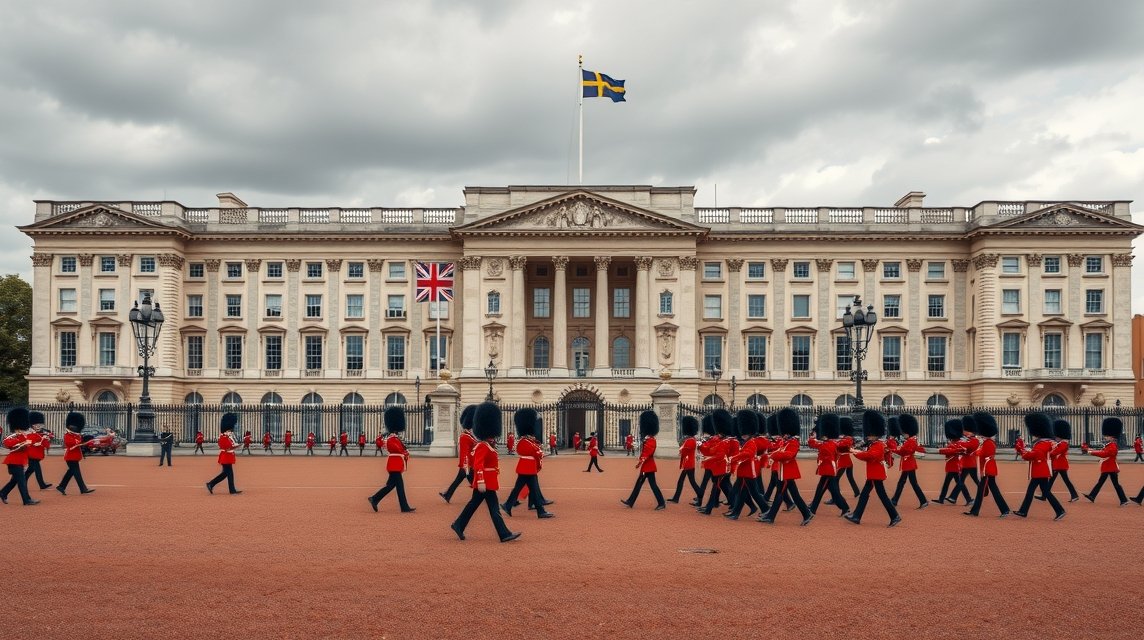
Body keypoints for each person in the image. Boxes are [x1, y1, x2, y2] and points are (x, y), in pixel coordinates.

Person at [449, 402, 520, 543]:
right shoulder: (482, 445)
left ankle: (458, 525)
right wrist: (480, 480)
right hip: (485, 482)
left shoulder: (486, 445)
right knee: (493, 509)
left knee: (474, 504)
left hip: (488, 481)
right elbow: (478, 464)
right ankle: (504, 534)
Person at [844, 410, 902, 528]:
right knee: (865, 494)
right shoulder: (875, 444)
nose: (868, 436)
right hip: (873, 474)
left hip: (876, 474)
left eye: (870, 434)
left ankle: (894, 516)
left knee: (882, 496)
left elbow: (870, 456)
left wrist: (855, 453)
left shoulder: (879, 445)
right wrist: (858, 451)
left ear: (875, 433)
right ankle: (857, 515)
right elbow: (868, 453)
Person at [758, 408, 812, 526]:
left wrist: (774, 455)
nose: (784, 434)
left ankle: (771, 516)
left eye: (785, 432)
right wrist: (771, 453)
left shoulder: (793, 442)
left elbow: (789, 455)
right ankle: (807, 514)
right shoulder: (786, 441)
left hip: (787, 472)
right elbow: (779, 450)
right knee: (794, 495)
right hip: (783, 472)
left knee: (780, 494)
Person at [502, 408, 555, 518]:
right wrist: (539, 451)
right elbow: (533, 451)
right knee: (533, 489)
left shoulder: (529, 441)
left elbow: (536, 450)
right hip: (527, 468)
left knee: (522, 488)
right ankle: (540, 511)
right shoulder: (523, 441)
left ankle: (508, 505)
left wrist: (538, 450)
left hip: (528, 468)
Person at [1012, 412, 1066, 520]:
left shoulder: (1043, 443)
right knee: (1040, 491)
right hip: (1040, 470)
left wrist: (1022, 451)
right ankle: (1024, 511)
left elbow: (1032, 455)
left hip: (1040, 471)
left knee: (1037, 491)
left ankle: (1059, 510)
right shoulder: (1044, 442)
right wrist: (1023, 450)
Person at [367, 407, 415, 513]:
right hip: (395, 465)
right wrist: (405, 452)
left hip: (396, 464)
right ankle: (404, 507)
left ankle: (375, 498)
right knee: (399, 486)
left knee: (391, 485)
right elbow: (397, 449)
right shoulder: (391, 439)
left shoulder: (394, 438)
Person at [964, 411, 1010, 518]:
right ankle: (1004, 509)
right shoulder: (986, 442)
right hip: (987, 469)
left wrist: (975, 451)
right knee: (988, 490)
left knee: (984, 491)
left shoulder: (988, 442)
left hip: (988, 470)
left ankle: (976, 511)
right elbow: (981, 452)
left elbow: (984, 453)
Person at [725, 410, 768, 519]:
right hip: (743, 472)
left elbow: (747, 454)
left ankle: (766, 509)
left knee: (754, 493)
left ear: (750, 433)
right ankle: (736, 513)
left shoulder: (752, 442)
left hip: (748, 472)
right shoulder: (747, 442)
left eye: (745, 433)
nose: (742, 435)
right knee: (742, 493)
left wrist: (733, 458)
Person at [620, 410, 666, 510]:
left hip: (648, 467)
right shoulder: (648, 439)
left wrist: (640, 461)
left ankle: (661, 503)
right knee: (640, 483)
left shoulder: (651, 440)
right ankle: (631, 501)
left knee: (652, 485)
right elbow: (645, 452)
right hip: (647, 466)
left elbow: (647, 453)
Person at [807, 412, 849, 517]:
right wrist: (812, 437)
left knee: (823, 490)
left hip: (828, 470)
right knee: (830, 490)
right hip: (826, 470)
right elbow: (812, 444)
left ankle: (813, 509)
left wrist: (817, 440)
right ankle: (845, 508)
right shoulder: (827, 443)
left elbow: (822, 449)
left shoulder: (829, 444)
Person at [1082, 417, 1128, 505]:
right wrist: (1089, 449)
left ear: (1112, 437)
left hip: (1111, 468)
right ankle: (1092, 496)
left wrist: (1090, 452)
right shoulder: (1109, 445)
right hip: (1108, 468)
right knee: (1101, 483)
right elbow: (1102, 452)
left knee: (1115, 485)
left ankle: (1124, 500)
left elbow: (1104, 454)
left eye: (1107, 436)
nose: (1105, 437)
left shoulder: (1113, 446)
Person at [697, 409, 733, 515]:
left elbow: (720, 455)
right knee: (722, 488)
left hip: (722, 468)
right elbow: (710, 449)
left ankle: (709, 509)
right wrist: (701, 446)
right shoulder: (719, 439)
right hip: (717, 467)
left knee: (717, 488)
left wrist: (708, 458)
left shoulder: (726, 441)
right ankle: (733, 504)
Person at [890, 413, 928, 509]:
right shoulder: (911, 440)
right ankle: (895, 499)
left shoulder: (911, 441)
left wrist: (893, 450)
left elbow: (905, 451)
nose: (903, 434)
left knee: (911, 483)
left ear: (908, 431)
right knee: (903, 482)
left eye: (904, 432)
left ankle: (923, 500)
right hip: (908, 463)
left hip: (909, 464)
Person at [440, 405, 477, 504]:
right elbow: (464, 452)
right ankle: (482, 496)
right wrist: (466, 466)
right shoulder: (465, 436)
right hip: (467, 465)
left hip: (469, 464)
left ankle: (447, 495)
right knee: (475, 482)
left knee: (459, 481)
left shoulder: (469, 435)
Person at [1, 408, 38, 505]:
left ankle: (3, 493)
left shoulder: (23, 436)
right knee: (22, 482)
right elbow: (6, 442)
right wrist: (19, 442)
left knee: (14, 481)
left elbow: (29, 444)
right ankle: (26, 500)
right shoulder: (13, 436)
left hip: (20, 462)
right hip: (13, 462)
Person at [1037, 419, 1079, 503]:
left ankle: (1074, 495)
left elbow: (1055, 453)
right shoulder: (1059, 443)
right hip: (1057, 465)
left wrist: (1047, 452)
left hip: (1060, 465)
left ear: (1060, 435)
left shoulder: (1063, 444)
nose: (1055, 438)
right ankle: (1045, 495)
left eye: (1056, 436)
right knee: (1052, 481)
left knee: (1063, 481)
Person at [933, 420, 970, 505]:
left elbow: (951, 451)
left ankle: (968, 499)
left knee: (959, 483)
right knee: (952, 483)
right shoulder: (953, 442)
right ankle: (942, 499)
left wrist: (940, 450)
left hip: (955, 466)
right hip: (950, 466)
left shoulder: (959, 443)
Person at [57, 411, 94, 495]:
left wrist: (85, 440)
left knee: (71, 472)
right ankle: (83, 488)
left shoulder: (77, 435)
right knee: (77, 473)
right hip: (70, 457)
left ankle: (61, 486)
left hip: (75, 456)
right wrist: (80, 442)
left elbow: (80, 442)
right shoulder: (67, 435)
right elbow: (70, 443)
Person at [205, 413, 241, 495]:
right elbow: (227, 447)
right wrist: (235, 447)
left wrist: (236, 446)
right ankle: (211, 484)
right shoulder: (223, 437)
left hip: (228, 456)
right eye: (229, 430)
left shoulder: (226, 436)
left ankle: (231, 489)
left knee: (227, 473)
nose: (231, 431)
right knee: (227, 473)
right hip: (225, 456)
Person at [668, 416, 701, 504]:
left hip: (688, 464)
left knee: (691, 482)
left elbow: (683, 450)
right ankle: (676, 498)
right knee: (683, 481)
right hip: (688, 463)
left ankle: (700, 495)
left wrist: (681, 446)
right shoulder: (690, 439)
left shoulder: (690, 440)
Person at [691, 415, 718, 507]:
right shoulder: (712, 438)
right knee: (706, 483)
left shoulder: (715, 439)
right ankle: (700, 500)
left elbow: (710, 450)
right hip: (709, 464)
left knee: (719, 485)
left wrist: (701, 445)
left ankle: (728, 501)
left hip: (714, 464)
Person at [24, 412, 52, 490]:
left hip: (37, 453)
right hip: (31, 453)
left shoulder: (41, 432)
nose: (38, 426)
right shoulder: (28, 432)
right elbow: (29, 441)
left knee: (31, 469)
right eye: (36, 425)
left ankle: (22, 481)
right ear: (32, 425)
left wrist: (47, 436)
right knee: (37, 469)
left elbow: (48, 436)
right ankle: (41, 484)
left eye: (40, 424)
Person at [958, 415, 981, 505]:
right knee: (960, 482)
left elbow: (967, 447)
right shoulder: (967, 440)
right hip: (966, 464)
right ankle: (969, 499)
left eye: (966, 430)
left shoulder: (974, 440)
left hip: (971, 464)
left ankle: (982, 493)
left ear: (970, 432)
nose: (964, 432)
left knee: (977, 482)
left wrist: (960, 444)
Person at [836, 417, 860, 497]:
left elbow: (842, 445)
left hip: (844, 461)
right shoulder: (845, 438)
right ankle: (856, 492)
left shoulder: (848, 439)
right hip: (847, 461)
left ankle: (837, 496)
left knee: (836, 479)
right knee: (850, 477)